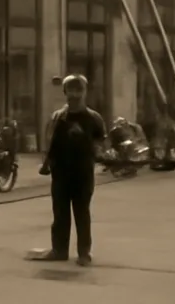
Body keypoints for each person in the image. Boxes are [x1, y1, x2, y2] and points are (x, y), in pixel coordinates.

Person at [30, 74, 106, 267]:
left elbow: (101, 143)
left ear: (85, 91)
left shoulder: (93, 118)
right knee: (60, 213)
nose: (75, 94)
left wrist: (94, 149)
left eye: (78, 89)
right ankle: (59, 250)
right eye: (71, 90)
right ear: (65, 93)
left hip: (83, 173)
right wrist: (46, 164)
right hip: (61, 172)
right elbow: (50, 143)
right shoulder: (57, 117)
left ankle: (83, 253)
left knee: (82, 213)